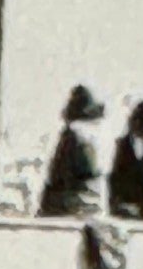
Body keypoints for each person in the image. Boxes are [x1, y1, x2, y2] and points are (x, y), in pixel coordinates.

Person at [39, 85, 107, 218]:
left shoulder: (73, 134)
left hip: (71, 203)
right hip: (90, 202)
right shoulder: (93, 136)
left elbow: (63, 174)